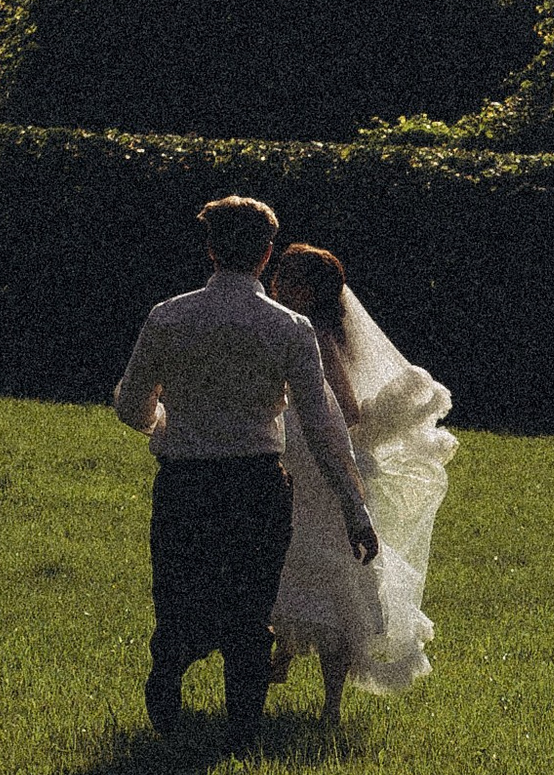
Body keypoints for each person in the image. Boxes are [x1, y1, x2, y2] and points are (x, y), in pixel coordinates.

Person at [110, 197, 376, 746]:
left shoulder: (169, 316)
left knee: (177, 595)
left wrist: (162, 418)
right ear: (266, 254)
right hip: (257, 483)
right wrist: (355, 509)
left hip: (185, 482)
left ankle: (167, 707)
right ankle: (242, 736)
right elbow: (324, 427)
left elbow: (130, 404)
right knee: (251, 611)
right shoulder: (290, 328)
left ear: (210, 249)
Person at [263, 243, 455, 725]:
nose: (276, 283)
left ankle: (323, 696)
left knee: (323, 564)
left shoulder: (319, 338)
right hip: (303, 456)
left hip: (317, 460)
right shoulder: (296, 330)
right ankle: (283, 662)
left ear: (308, 290)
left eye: (287, 277)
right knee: (296, 559)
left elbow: (344, 411)